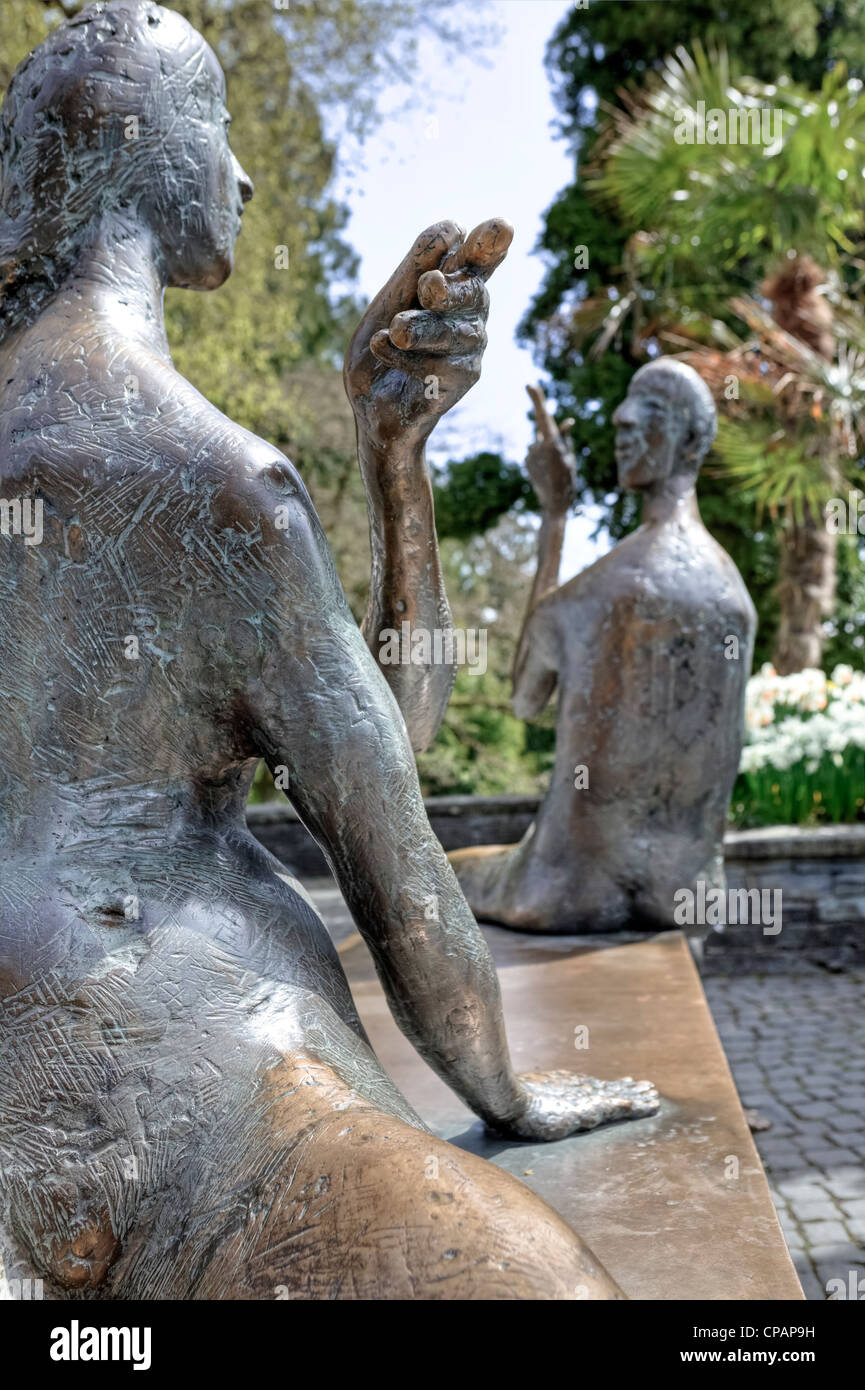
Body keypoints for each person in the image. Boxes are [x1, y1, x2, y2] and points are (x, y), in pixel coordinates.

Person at [0, 1, 656, 1300]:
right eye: (219, 125)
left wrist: (390, 462)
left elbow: (370, 730)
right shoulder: (221, 479)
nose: (242, 172)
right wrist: (505, 1089)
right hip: (189, 1078)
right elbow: (389, 841)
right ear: (144, 152)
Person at [451, 363, 757, 933]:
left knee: (445, 871)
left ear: (691, 440)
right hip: (686, 891)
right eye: (627, 403)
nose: (622, 417)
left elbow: (524, 698)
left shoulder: (603, 590)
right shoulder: (735, 599)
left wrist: (555, 516)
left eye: (652, 409)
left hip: (563, 888)